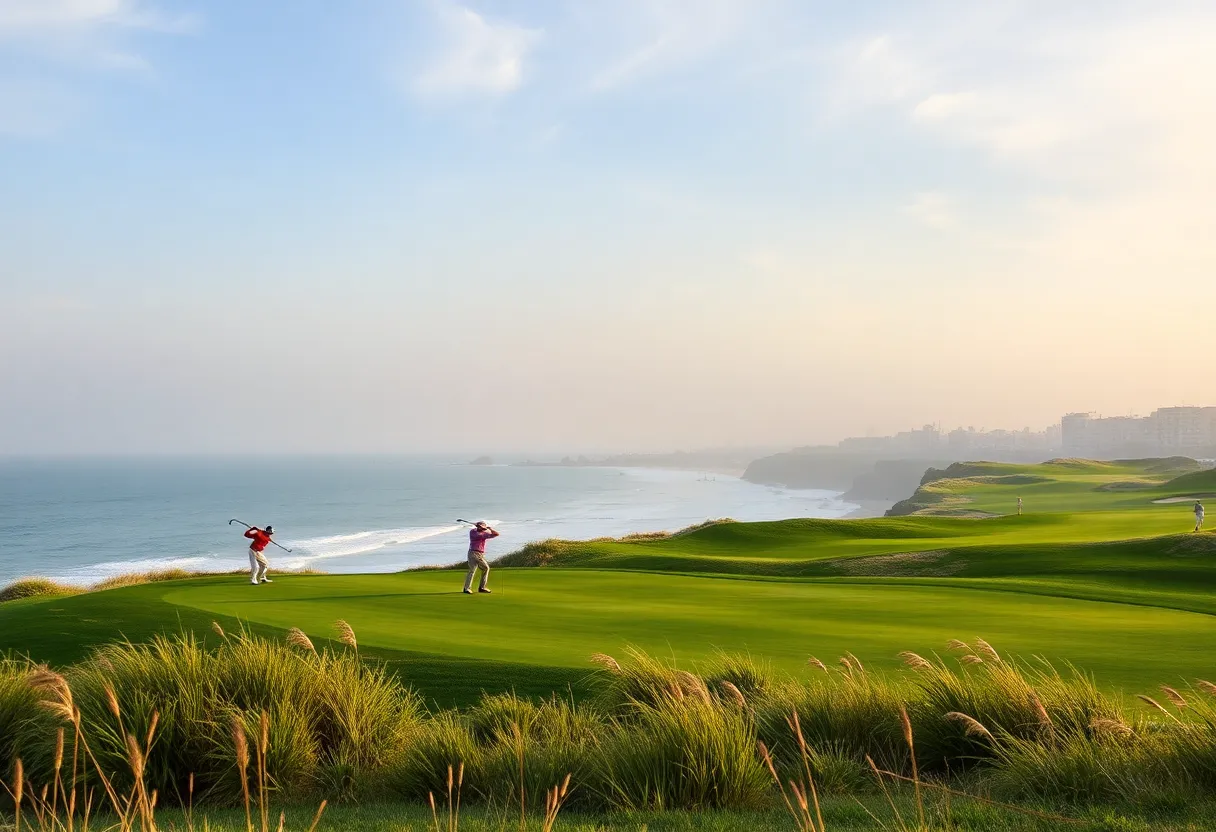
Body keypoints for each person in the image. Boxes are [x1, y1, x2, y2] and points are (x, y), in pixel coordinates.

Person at [464, 521, 499, 594]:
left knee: (475, 570)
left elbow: (496, 534)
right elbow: (479, 534)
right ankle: (479, 588)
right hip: (474, 553)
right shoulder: (473, 532)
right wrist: (483, 528)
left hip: (478, 553)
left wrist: (490, 529)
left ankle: (469, 588)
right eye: (480, 527)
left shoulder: (484, 533)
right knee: (483, 568)